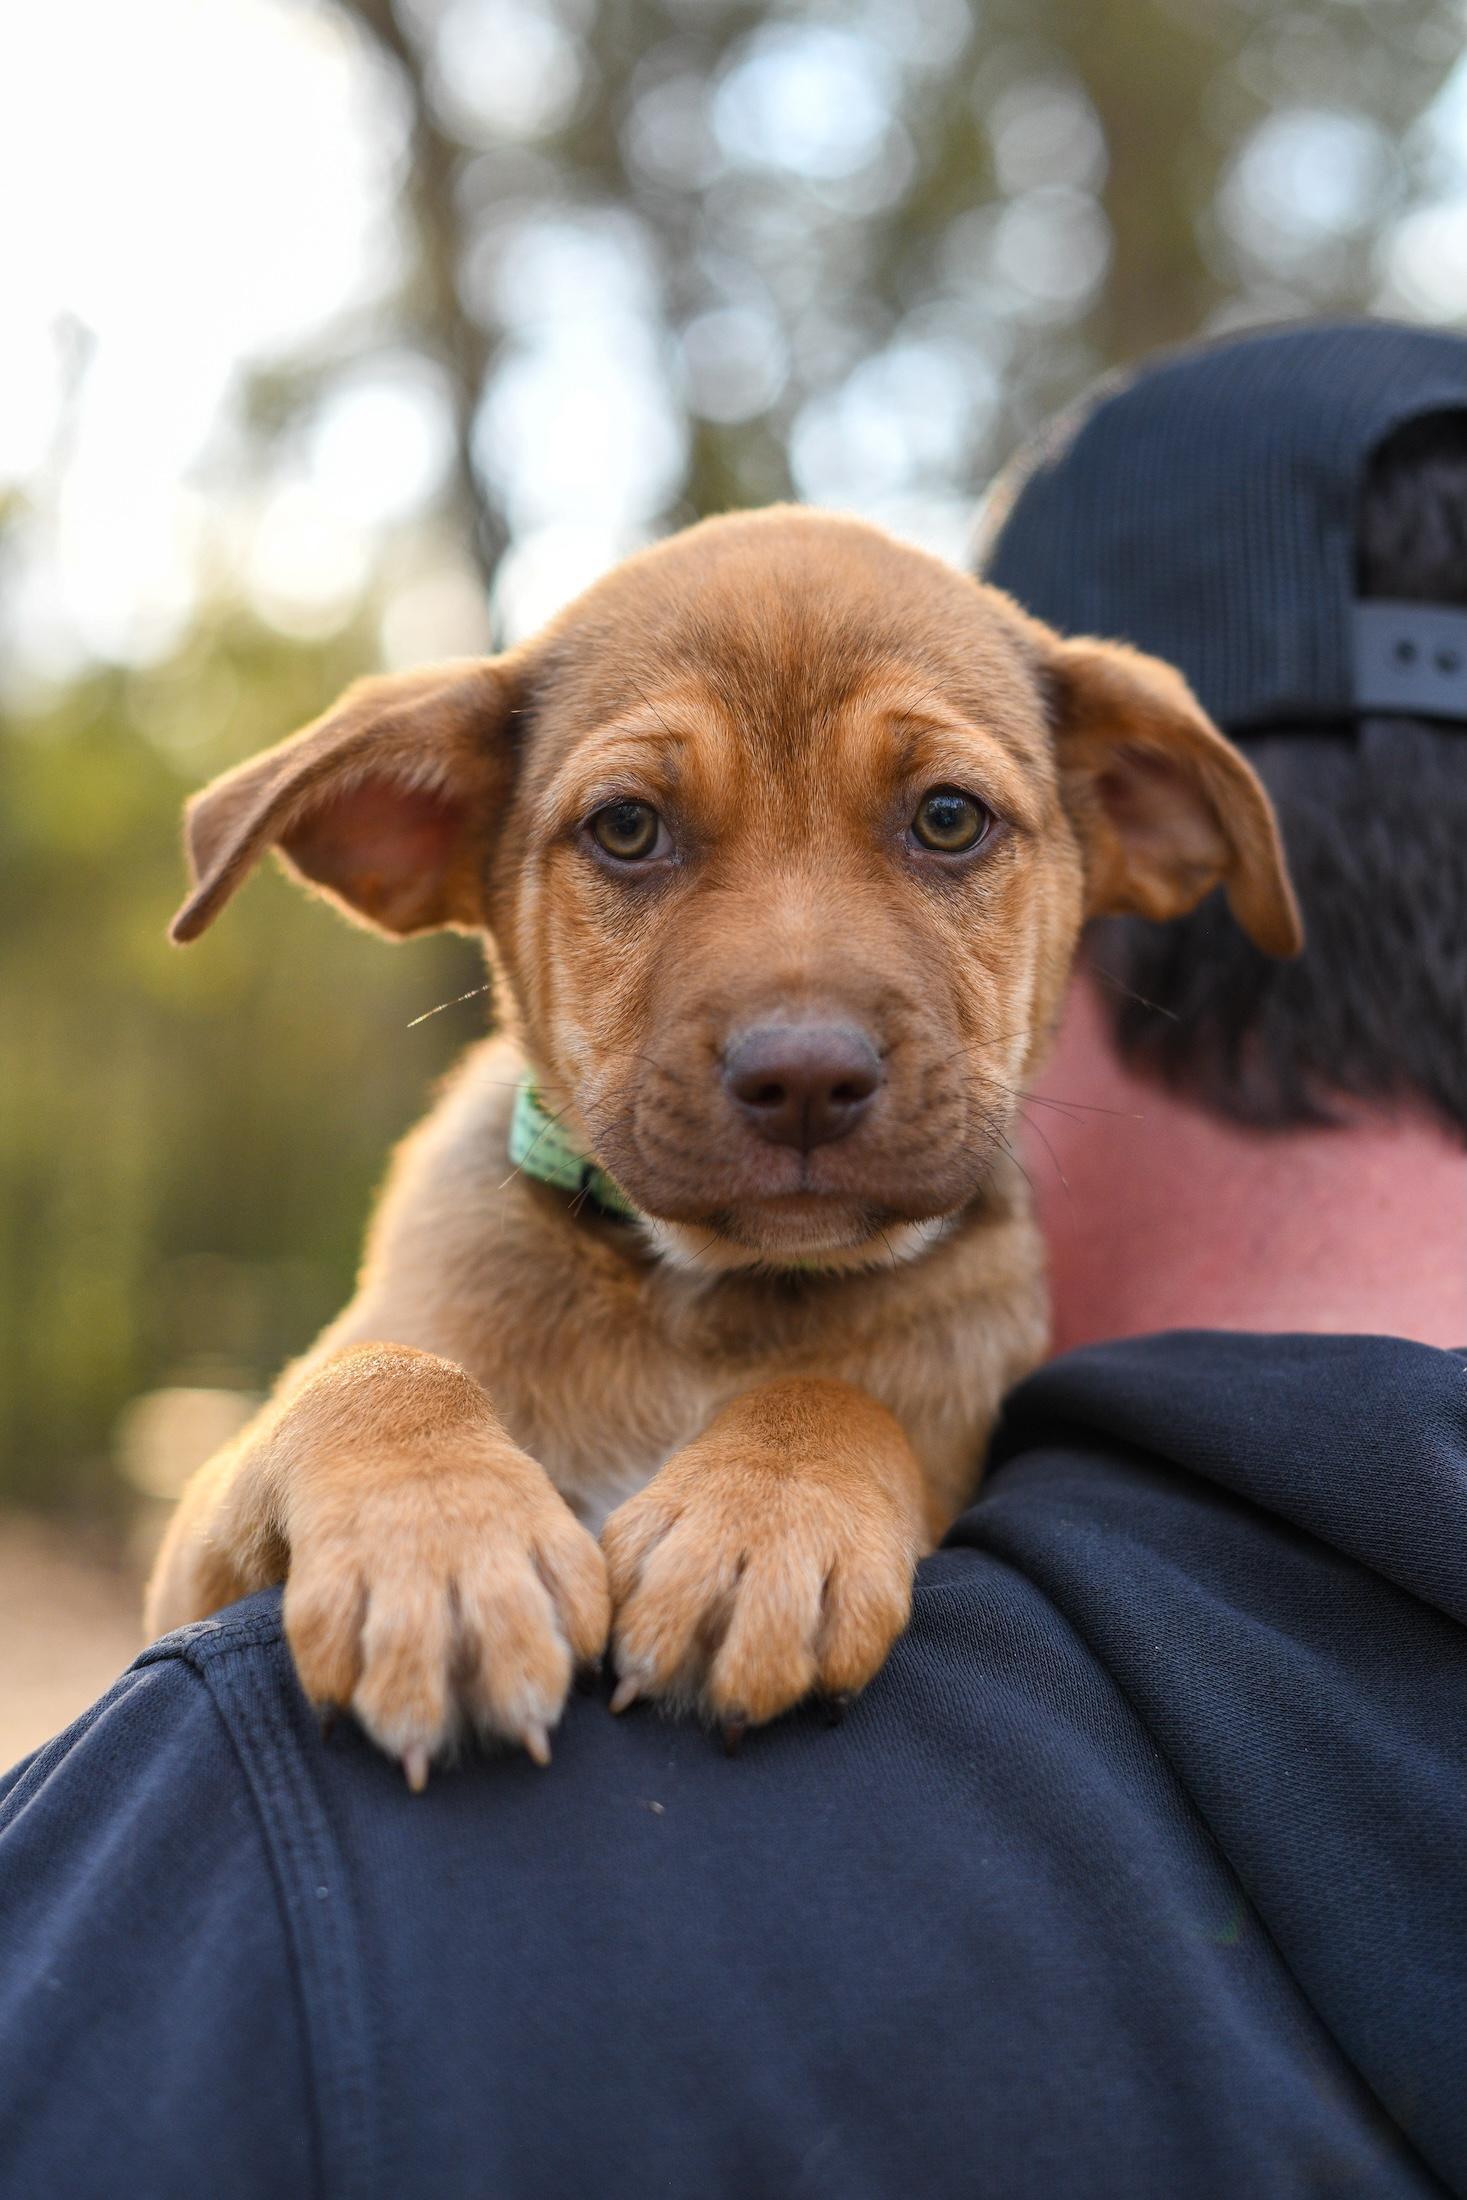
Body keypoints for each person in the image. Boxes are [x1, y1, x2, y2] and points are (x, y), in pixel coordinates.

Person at [2, 320, 1462, 2200]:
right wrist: (381, 1426)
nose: (799, 1026)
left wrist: (834, 1440)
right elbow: (213, 1557)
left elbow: (940, 1448)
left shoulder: (1011, 1314)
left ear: (1133, 825)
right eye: (633, 830)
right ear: (423, 835)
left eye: (945, 824)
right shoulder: (460, 1234)